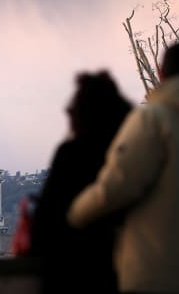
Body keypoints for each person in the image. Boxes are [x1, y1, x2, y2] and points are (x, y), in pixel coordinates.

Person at [67, 41, 179, 294]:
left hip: (156, 275)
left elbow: (117, 186)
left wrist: (74, 214)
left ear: (161, 73)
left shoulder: (152, 120)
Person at [29, 71, 132, 293]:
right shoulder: (131, 158)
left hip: (71, 275)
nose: (67, 111)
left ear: (85, 115)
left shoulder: (71, 155)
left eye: (73, 108)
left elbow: (44, 228)